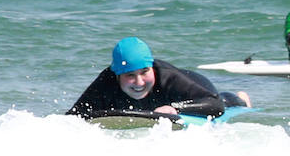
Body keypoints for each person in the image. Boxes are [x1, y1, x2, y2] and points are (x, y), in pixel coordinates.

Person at [67, 37, 251, 120]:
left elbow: (215, 105)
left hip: (196, 87)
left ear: (151, 68)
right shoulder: (106, 82)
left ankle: (240, 98)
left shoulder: (168, 77)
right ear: (117, 75)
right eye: (130, 75)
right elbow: (74, 115)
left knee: (225, 101)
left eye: (144, 72)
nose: (139, 82)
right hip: (151, 108)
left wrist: (175, 107)